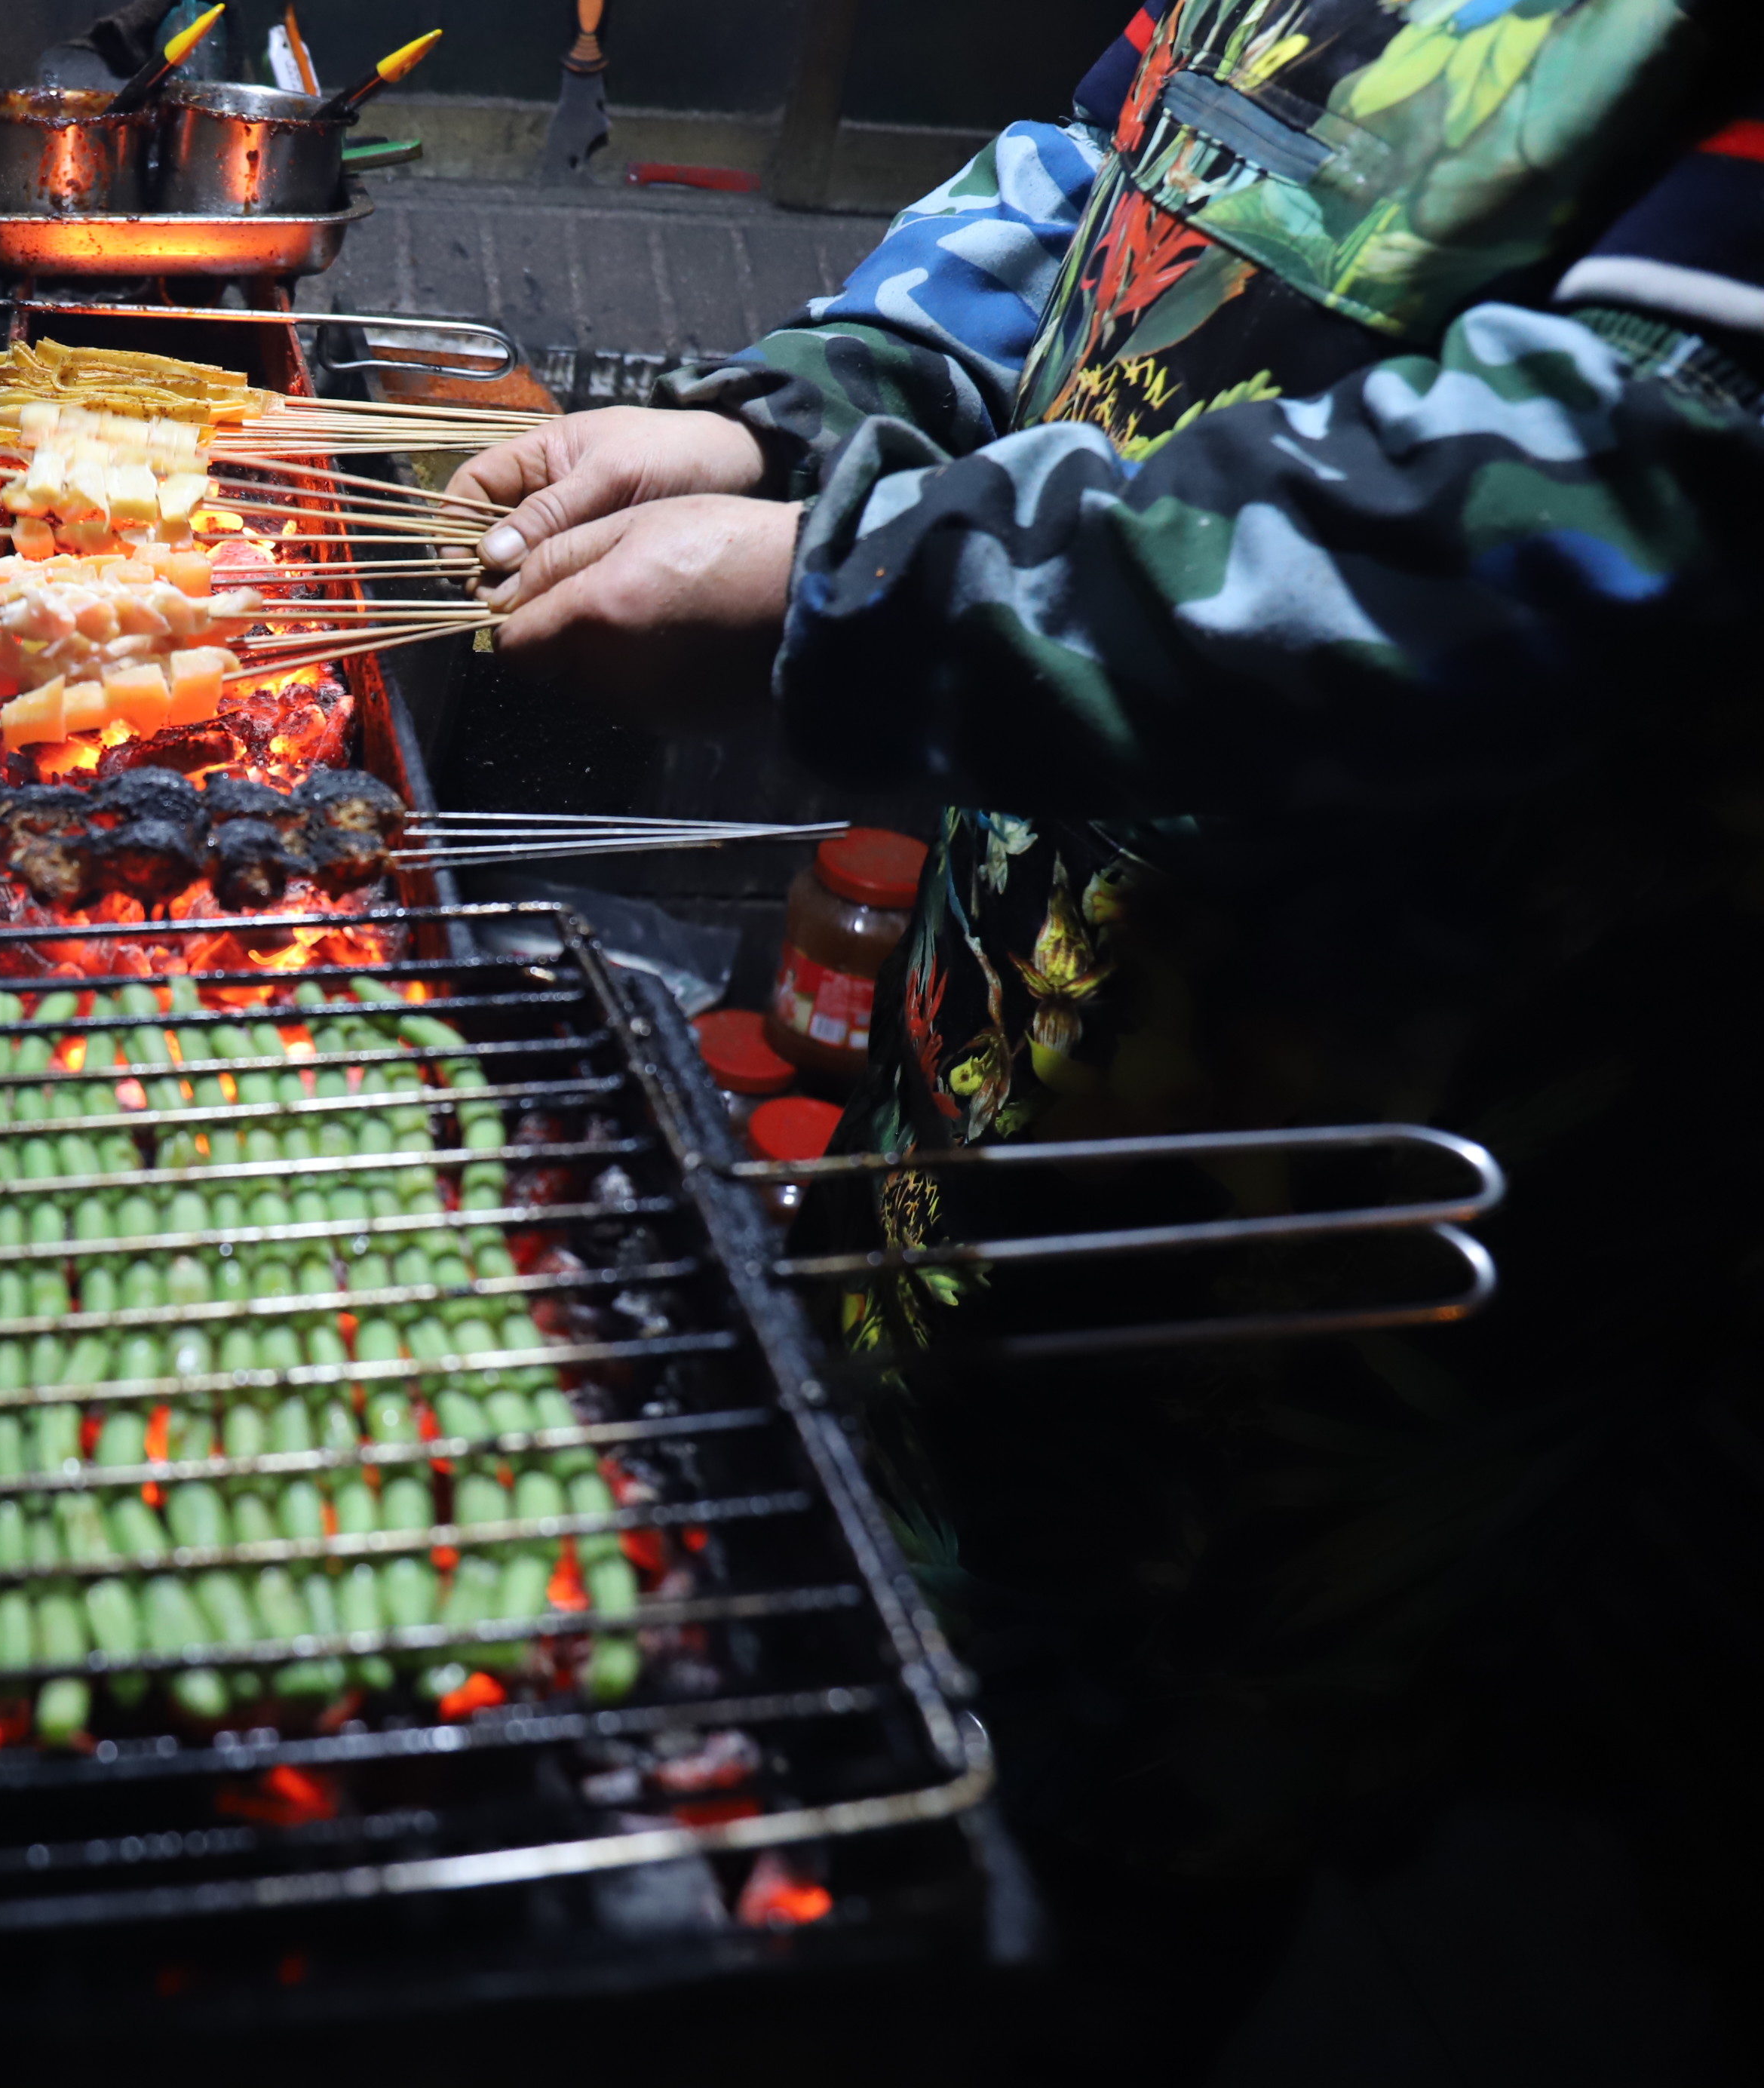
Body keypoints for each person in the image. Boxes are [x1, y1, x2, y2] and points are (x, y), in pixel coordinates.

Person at [453, 0, 1762, 2060]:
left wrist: (845, 586)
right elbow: (1104, 183)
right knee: (850, 1708)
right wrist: (784, 423)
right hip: (1001, 1069)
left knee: (1101, 1876)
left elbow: (1609, 502)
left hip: (1351, 1225)